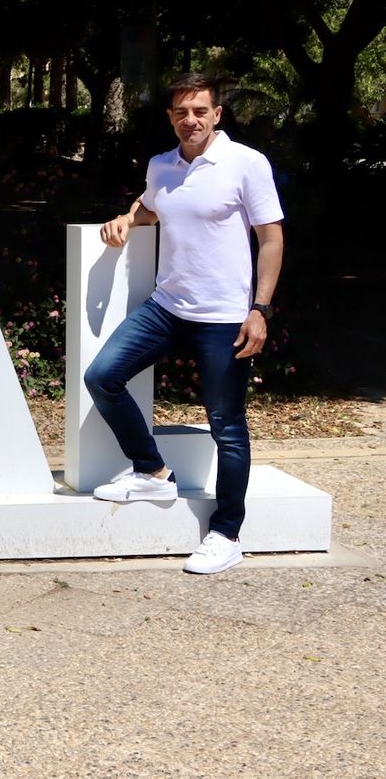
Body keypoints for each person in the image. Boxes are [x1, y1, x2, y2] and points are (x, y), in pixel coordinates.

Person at [84, 72, 284, 574]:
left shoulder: (246, 163)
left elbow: (271, 239)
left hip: (225, 318)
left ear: (217, 114)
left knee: (227, 427)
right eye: (181, 112)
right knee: (102, 376)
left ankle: (227, 533)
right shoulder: (162, 165)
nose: (190, 120)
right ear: (170, 117)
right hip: (167, 308)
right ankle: (152, 471)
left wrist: (260, 309)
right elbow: (153, 207)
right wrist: (129, 217)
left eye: (199, 111)